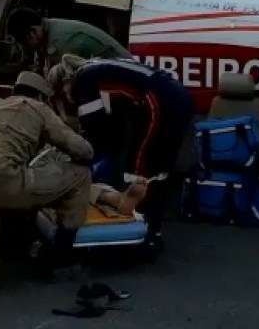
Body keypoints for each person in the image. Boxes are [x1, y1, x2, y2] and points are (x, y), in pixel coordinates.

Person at [0, 72, 94, 308]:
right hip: (1, 178)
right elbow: (78, 148)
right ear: (40, 95)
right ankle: (63, 257)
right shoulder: (36, 107)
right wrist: (88, 151)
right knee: (80, 175)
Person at [47, 55, 194, 252]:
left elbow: (94, 130)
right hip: (175, 95)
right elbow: (113, 126)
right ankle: (153, 226)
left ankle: (140, 222)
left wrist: (76, 161)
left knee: (143, 162)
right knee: (159, 165)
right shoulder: (96, 67)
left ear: (64, 84)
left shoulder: (83, 80)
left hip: (158, 100)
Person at [6, 8, 131, 75]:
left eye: (24, 42)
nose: (26, 47)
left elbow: (71, 77)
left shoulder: (62, 43)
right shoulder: (48, 30)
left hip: (125, 75)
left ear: (32, 33)